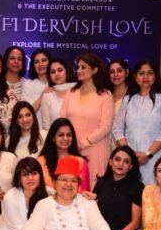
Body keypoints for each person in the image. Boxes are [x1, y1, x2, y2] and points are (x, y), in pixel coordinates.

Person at [112, 60, 161, 185]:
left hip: (154, 158)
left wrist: (148, 154)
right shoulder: (128, 99)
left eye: (149, 73)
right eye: (141, 73)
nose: (145, 77)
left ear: (155, 76)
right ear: (135, 77)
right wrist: (128, 153)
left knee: (152, 193)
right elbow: (117, 128)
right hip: (129, 161)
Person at [61, 53, 114, 188]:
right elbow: (62, 121)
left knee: (94, 189)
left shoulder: (105, 95)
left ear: (95, 70)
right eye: (78, 67)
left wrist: (84, 143)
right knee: (70, 186)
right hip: (71, 148)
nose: (79, 70)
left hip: (95, 149)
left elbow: (106, 127)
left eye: (83, 67)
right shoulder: (71, 92)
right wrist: (69, 143)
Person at [90, 146, 143, 230]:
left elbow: (135, 223)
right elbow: (93, 213)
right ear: (110, 162)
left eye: (126, 161)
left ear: (131, 166)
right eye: (117, 159)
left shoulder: (137, 187)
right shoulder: (101, 183)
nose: (121, 164)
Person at [37, 118, 90, 192]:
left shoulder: (80, 162)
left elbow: (85, 193)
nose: (65, 138)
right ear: (53, 138)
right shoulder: (40, 161)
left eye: (69, 135)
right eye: (61, 135)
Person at [40, 58, 76, 131]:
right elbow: (46, 127)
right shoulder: (47, 96)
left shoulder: (78, 91)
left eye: (60, 70)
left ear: (67, 71)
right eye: (53, 72)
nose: (56, 74)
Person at [21, 48, 51, 124]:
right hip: (36, 127)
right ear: (33, 65)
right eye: (37, 62)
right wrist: (42, 95)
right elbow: (27, 112)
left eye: (44, 60)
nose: (40, 64)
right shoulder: (28, 84)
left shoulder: (56, 82)